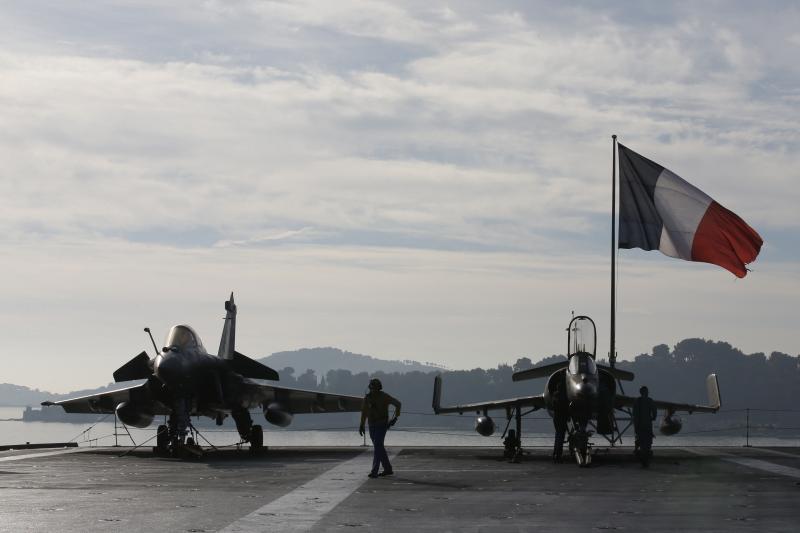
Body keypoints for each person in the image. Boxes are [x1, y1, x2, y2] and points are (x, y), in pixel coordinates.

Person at [359, 378, 401, 478]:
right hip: (371, 425)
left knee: (377, 445)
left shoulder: (385, 396)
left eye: (376, 388)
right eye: (372, 388)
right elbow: (364, 412)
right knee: (379, 447)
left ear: (379, 388)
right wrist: (361, 425)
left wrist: (395, 418)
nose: (374, 390)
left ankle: (374, 471)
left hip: (382, 424)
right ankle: (388, 469)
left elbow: (398, 404)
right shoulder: (367, 398)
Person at [632, 385, 657, 466]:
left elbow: (634, 415)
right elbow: (654, 411)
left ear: (640, 392)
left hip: (639, 425)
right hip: (648, 425)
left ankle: (641, 456)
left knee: (640, 441)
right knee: (648, 443)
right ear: (646, 392)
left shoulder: (637, 401)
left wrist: (635, 426)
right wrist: (653, 417)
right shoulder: (650, 401)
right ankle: (646, 458)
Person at [551, 381, 569, 463]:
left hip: (556, 418)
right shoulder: (564, 396)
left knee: (558, 434)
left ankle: (556, 453)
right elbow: (565, 407)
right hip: (562, 418)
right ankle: (558, 454)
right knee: (560, 435)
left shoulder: (555, 395)